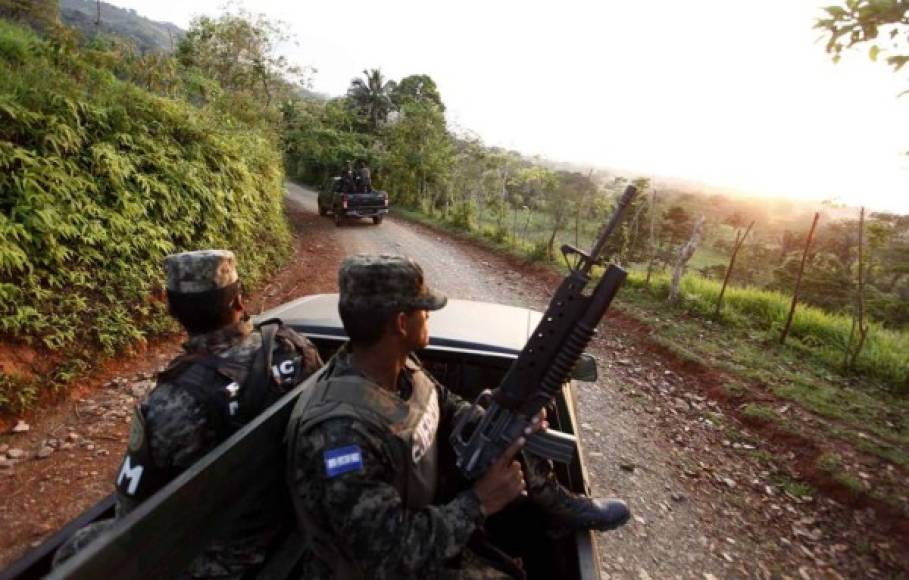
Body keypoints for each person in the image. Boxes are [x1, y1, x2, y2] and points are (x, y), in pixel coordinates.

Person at [285, 254, 629, 579]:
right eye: (424, 309)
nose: (430, 315)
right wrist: (479, 501)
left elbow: (443, 404)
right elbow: (386, 557)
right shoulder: (341, 434)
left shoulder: (399, 368)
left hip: (431, 519)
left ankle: (559, 507)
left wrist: (497, 418)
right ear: (401, 323)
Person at [54, 249, 323, 578]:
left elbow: (132, 520)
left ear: (173, 311)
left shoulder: (169, 402)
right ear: (238, 302)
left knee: (78, 548)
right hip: (297, 521)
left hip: (224, 561)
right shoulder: (295, 348)